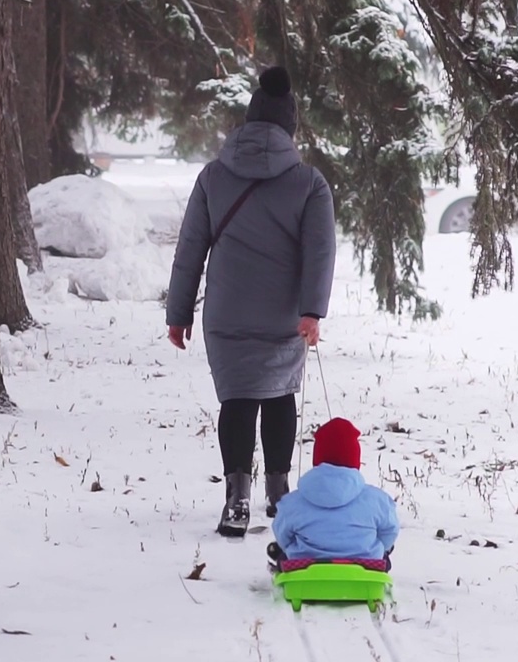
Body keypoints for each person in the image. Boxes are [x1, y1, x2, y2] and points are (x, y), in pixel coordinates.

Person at [165, 66, 337, 537]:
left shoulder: (212, 177)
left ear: (248, 121)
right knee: (280, 396)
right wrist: (311, 311)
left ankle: (236, 499)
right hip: (283, 312)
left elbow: (190, 249)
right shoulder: (309, 183)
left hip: (226, 312)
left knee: (237, 399)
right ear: (290, 129)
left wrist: (179, 313)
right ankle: (279, 495)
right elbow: (320, 252)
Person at [269, 417, 399, 569]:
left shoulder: (293, 502)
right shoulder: (376, 499)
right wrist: (377, 548)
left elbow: (282, 535)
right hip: (365, 570)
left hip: (305, 571)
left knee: (283, 556)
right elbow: (390, 531)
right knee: (384, 558)